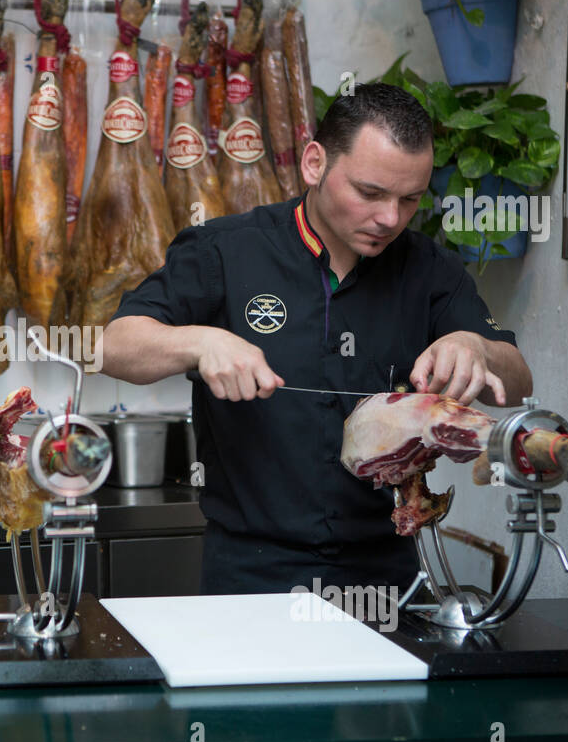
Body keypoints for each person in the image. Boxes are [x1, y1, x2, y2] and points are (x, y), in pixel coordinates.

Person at [98, 83, 533, 595]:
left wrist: (476, 347)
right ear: (314, 164)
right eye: (369, 193)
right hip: (248, 574)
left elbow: (519, 382)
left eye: (410, 199)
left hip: (386, 578)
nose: (389, 218)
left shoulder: (430, 271)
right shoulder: (225, 251)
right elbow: (112, 345)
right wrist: (199, 342)